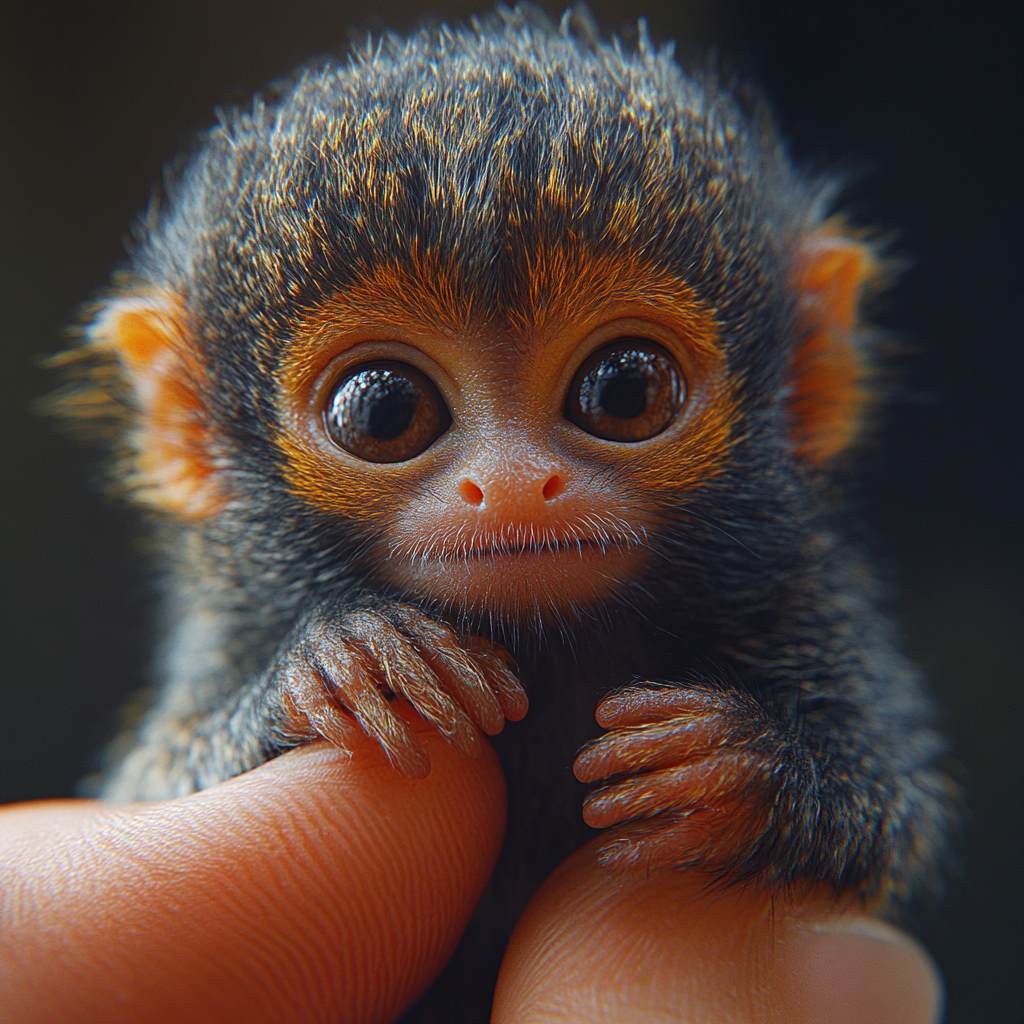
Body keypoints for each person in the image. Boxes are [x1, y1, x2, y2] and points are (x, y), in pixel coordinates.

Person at [1, 707, 941, 1023]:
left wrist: (777, 781)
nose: (509, 478)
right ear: (192, 430)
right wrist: (295, 696)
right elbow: (163, 782)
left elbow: (887, 819)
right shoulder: (260, 601)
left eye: (622, 392)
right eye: (390, 413)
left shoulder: (783, 604)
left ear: (806, 383)